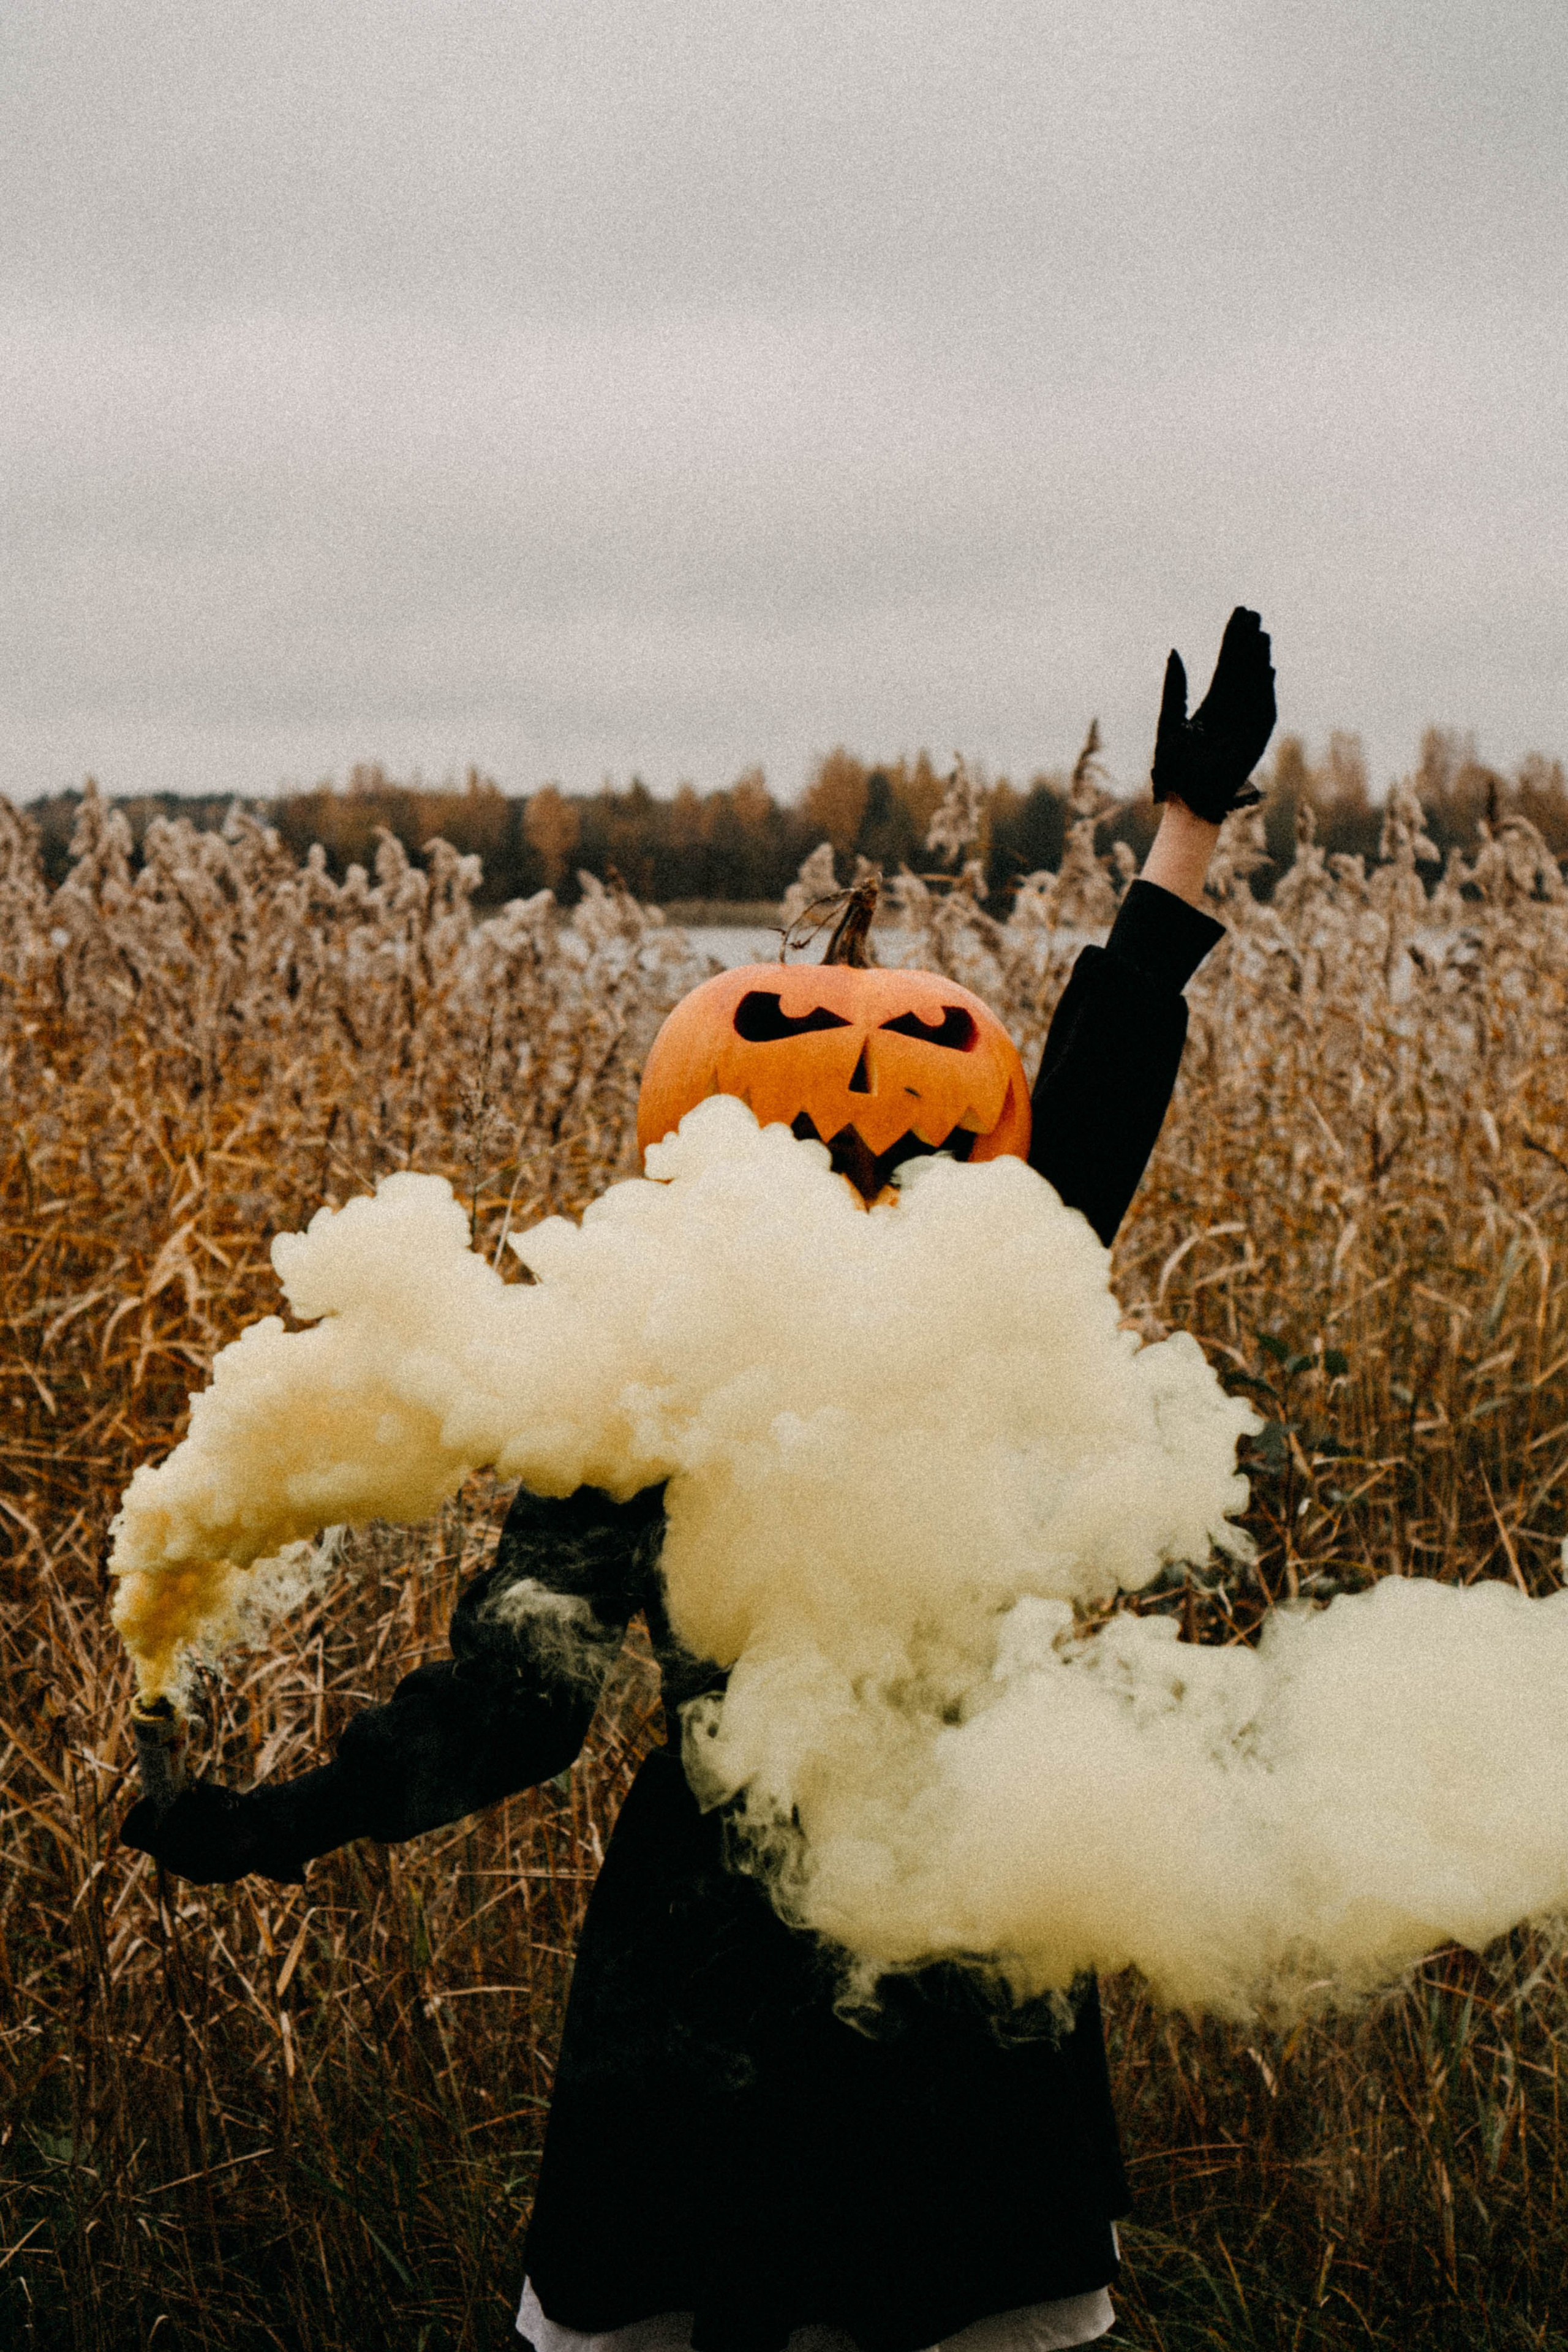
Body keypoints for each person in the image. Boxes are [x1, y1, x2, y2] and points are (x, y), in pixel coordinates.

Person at [125, 610, 1276, 2352]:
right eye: (806, 1051)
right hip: (885, 1946)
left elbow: (517, 1706)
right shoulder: (679, 1367)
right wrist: (279, 1820)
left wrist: (1188, 829)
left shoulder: (861, 1333)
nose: (867, 1099)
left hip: (802, 1940)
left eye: (912, 1072)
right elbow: (519, 1693)